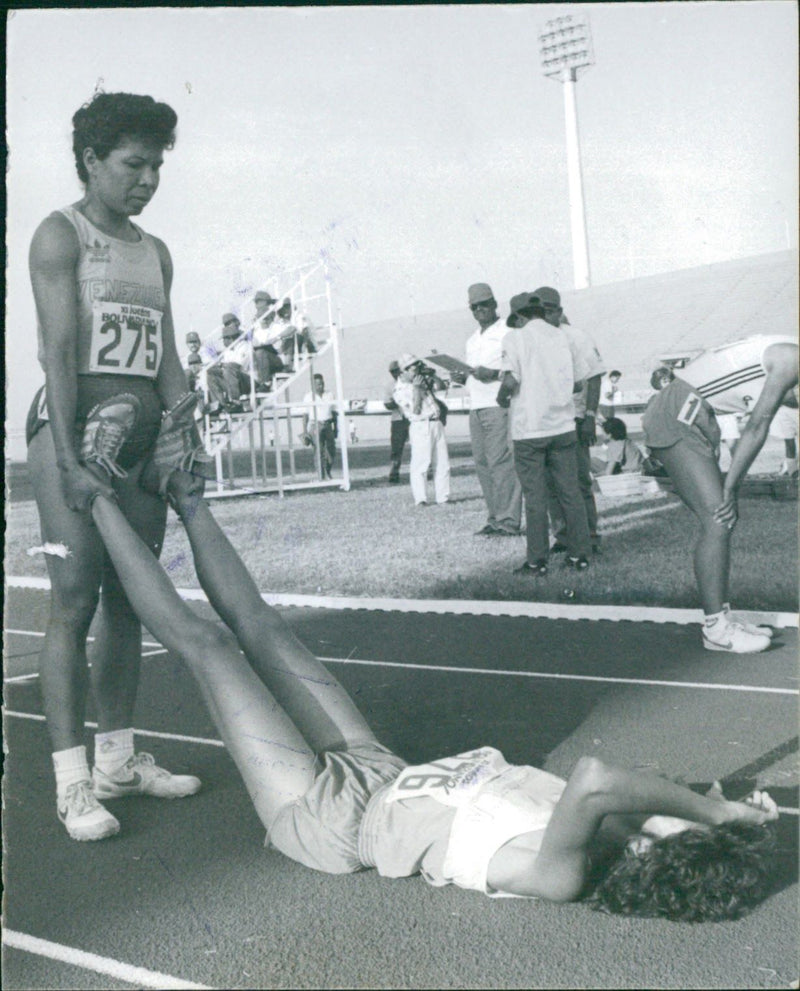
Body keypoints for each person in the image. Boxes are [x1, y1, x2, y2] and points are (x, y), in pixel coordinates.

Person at [77, 400, 779, 921]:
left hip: (333, 824)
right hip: (382, 769)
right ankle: (184, 489)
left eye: (681, 831)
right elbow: (638, 798)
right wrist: (713, 811)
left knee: (210, 648)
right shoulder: (629, 827)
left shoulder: (564, 868)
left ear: (657, 854)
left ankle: (93, 491)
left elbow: (597, 780)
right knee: (261, 626)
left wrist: (716, 815)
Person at [25, 91, 207, 841]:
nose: (149, 178)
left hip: (141, 437)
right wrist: (69, 458)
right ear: (92, 159)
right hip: (70, 430)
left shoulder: (155, 250)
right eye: (134, 163)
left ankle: (118, 763)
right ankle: (71, 783)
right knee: (73, 598)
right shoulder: (59, 236)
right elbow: (59, 353)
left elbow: (164, 355)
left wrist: (184, 439)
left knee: (131, 601)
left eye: (158, 164)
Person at [642, 359, 782, 653]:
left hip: (689, 411)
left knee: (722, 520)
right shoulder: (789, 359)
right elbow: (756, 427)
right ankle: (716, 629)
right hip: (676, 413)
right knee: (719, 519)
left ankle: (723, 617)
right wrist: (730, 487)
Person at [498, 292, 593, 575]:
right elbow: (578, 385)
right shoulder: (564, 336)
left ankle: (537, 561)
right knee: (571, 494)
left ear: (520, 316)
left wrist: (502, 396)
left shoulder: (514, 338)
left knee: (536, 498)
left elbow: (511, 379)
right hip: (563, 426)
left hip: (530, 427)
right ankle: (580, 555)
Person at [455, 283, 522, 537]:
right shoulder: (472, 340)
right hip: (476, 406)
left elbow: (517, 368)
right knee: (483, 464)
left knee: (501, 463)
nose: (480, 310)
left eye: (484, 304)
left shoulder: (508, 331)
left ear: (495, 303)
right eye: (475, 306)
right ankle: (494, 518)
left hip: (498, 404)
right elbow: (472, 373)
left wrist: (492, 373)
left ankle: (508, 520)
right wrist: (462, 376)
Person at [547, 302, 605, 555]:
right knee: (552, 483)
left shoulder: (576, 337)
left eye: (550, 310)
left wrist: (590, 415)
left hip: (575, 418)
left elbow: (594, 376)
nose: (545, 316)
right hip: (547, 420)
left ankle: (589, 535)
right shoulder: (535, 338)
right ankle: (562, 536)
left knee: (579, 480)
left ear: (559, 311)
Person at [392, 354, 451, 506]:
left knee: (442, 463)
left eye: (418, 366)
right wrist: (417, 389)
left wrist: (433, 375)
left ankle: (443, 498)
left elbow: (442, 389)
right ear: (403, 371)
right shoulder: (399, 390)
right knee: (421, 464)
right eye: (413, 368)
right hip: (420, 425)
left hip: (435, 422)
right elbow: (416, 410)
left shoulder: (421, 380)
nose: (417, 370)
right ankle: (421, 499)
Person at [302, 373, 337, 479]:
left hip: (328, 424)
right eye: (317, 384)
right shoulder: (308, 397)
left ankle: (328, 470)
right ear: (313, 385)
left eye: (322, 383)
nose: (320, 386)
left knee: (331, 450)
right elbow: (305, 415)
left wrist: (336, 428)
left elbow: (335, 413)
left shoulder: (330, 394)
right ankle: (321, 476)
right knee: (319, 450)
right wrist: (305, 432)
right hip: (315, 425)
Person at [251, 290, 285, 389]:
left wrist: (273, 340)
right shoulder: (258, 328)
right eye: (256, 302)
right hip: (264, 358)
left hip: (276, 359)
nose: (257, 304)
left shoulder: (276, 325)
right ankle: (259, 383)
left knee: (260, 352)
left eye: (259, 301)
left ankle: (265, 383)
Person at [383, 359, 409, 483]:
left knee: (420, 443)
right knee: (396, 448)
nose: (395, 374)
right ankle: (394, 471)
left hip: (412, 418)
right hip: (398, 419)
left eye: (397, 371)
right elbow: (387, 404)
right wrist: (397, 403)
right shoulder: (389, 386)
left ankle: (428, 470)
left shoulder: (408, 382)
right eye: (392, 372)